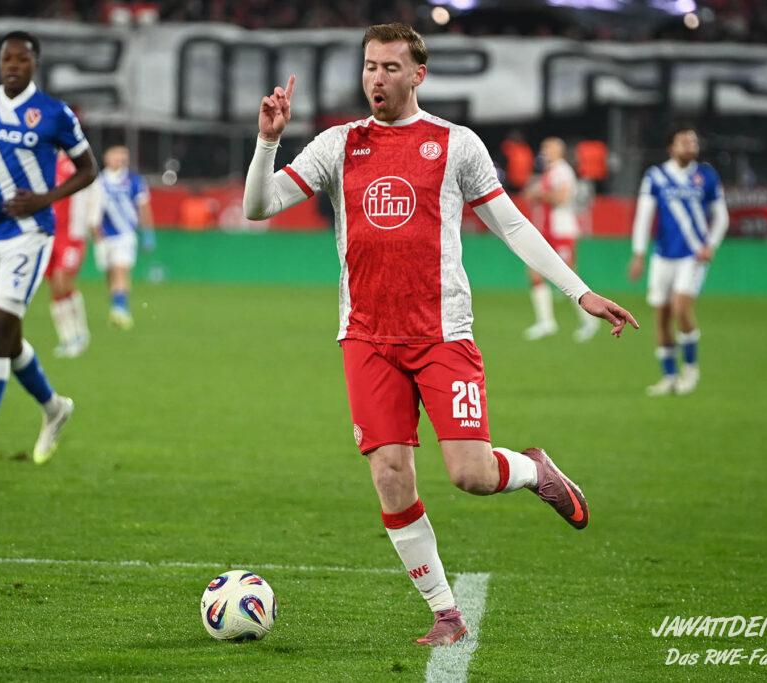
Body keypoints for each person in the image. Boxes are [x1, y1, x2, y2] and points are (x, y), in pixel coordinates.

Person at [243, 23, 638, 646]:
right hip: (367, 337)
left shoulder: (456, 144)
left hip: (442, 334)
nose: (377, 78)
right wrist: (268, 140)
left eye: (390, 67)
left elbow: (512, 225)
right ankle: (446, 613)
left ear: (417, 74)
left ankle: (535, 470)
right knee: (390, 474)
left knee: (470, 475)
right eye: (370, 66)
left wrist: (579, 291)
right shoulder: (339, 144)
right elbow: (258, 207)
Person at [0, 31, 97, 486]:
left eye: (21, 59)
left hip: (30, 234)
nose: (12, 65)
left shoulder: (54, 113)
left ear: (34, 64)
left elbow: (88, 169)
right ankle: (54, 407)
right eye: (6, 58)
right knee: (8, 340)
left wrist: (45, 198)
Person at [628, 125, 728, 396]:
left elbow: (721, 216)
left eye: (693, 142)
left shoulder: (706, 176)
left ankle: (691, 370)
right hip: (663, 256)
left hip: (693, 255)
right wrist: (639, 253)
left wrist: (711, 245)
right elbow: (644, 215)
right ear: (671, 148)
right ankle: (669, 376)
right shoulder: (656, 176)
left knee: (681, 308)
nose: (690, 146)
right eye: (684, 142)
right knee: (661, 317)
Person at [521, 137, 600, 342]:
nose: (544, 151)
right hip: (547, 231)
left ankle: (590, 320)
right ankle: (546, 321)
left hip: (562, 231)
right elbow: (530, 195)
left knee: (568, 278)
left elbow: (561, 198)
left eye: (548, 148)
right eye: (544, 148)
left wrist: (540, 194)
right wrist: (540, 193)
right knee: (534, 271)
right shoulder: (550, 172)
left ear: (559, 151)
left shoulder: (563, 171)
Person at [90, 145, 154, 330]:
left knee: (121, 270)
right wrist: (95, 235)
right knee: (110, 274)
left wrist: (148, 232)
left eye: (122, 156)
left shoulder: (134, 180)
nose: (120, 159)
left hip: (125, 234)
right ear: (106, 158)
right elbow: (92, 210)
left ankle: (121, 311)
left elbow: (143, 206)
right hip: (104, 237)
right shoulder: (98, 182)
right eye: (116, 155)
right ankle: (116, 307)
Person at [46, 151, 97, 358]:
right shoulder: (43, 161)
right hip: (48, 234)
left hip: (71, 234)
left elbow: (93, 191)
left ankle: (80, 333)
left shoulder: (76, 163)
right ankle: (66, 338)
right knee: (54, 287)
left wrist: (91, 223)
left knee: (63, 281)